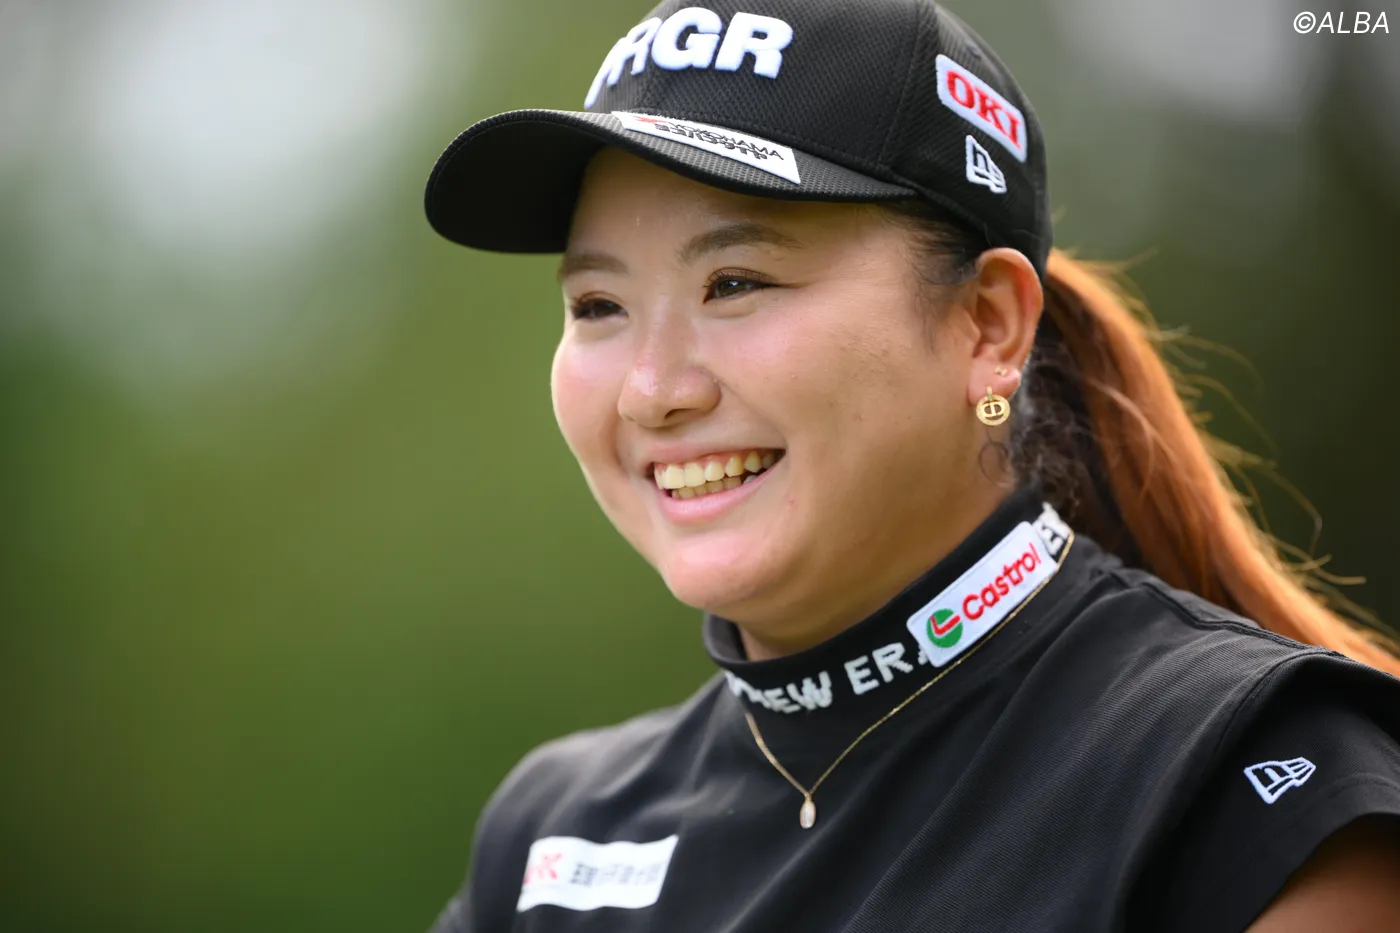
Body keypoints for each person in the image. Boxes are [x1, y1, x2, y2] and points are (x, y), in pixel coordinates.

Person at [420, 1, 1400, 929]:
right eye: (597, 305)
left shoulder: (1249, 777)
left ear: (987, 326)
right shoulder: (552, 841)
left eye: (735, 282)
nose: (649, 392)